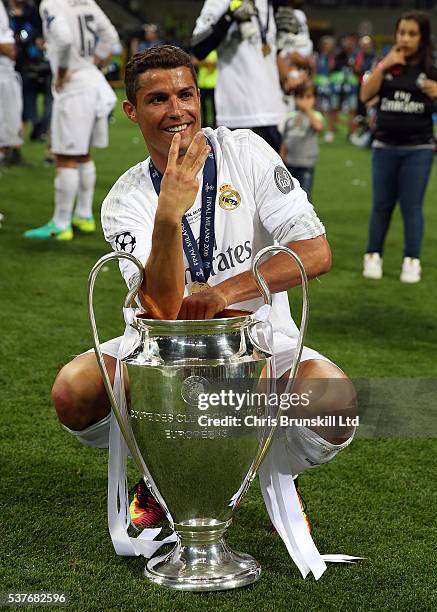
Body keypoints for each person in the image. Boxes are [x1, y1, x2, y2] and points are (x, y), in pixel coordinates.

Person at [51, 47, 356, 542]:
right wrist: (169, 216)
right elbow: (163, 308)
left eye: (185, 94)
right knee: (74, 390)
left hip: (257, 342)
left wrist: (224, 292)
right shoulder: (125, 200)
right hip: (162, 356)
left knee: (335, 401)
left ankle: (268, 464)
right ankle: (159, 472)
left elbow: (315, 252)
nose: (177, 111)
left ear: (199, 97)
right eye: (157, 99)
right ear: (131, 111)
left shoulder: (247, 152)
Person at [23, 0, 120, 241]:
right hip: (93, 81)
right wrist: (93, 61)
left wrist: (65, 69)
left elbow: (64, 39)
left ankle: (60, 223)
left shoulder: (51, 4)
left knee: (65, 156)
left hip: (74, 87)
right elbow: (111, 37)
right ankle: (84, 216)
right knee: (83, 154)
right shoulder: (86, 1)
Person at [361, 11, 437, 283]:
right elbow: (366, 95)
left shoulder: (431, 68)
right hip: (384, 147)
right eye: (401, 32)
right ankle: (372, 256)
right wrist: (384, 65)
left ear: (423, 37)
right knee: (381, 206)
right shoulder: (387, 64)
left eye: (412, 33)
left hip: (419, 149)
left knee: (411, 206)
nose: (405, 38)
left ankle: (411, 261)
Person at [191, 0, 287, 152]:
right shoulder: (220, 1)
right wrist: (229, 16)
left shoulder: (269, 4)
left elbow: (265, 55)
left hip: (272, 114)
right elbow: (199, 47)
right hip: (238, 115)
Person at [280, 81, 324, 199]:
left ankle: (305, 217)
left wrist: (308, 110)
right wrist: (282, 155)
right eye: (301, 97)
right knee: (288, 194)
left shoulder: (315, 115)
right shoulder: (290, 116)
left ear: (315, 99)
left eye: (308, 97)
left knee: (305, 195)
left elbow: (319, 127)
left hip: (306, 163)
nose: (304, 101)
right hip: (290, 162)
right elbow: (285, 137)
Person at [0, 0, 24, 167]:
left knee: (10, 116)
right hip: (2, 71)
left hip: (7, 70)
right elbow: (6, 44)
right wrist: (10, 49)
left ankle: (8, 154)